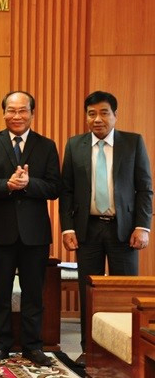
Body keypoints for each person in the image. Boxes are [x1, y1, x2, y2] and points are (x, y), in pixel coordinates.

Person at [59, 90, 152, 367]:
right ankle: (89, 352)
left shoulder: (133, 143)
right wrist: (67, 229)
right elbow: (66, 191)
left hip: (124, 231)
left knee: (125, 293)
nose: (97, 119)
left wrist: (142, 226)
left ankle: (127, 353)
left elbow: (144, 188)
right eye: (91, 113)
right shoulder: (74, 145)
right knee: (89, 292)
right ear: (86, 116)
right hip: (87, 230)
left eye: (103, 113)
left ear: (114, 115)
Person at [0, 91, 61, 367]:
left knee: (33, 292)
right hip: (0, 231)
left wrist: (28, 184)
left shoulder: (46, 146)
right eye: (11, 110)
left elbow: (55, 188)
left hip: (35, 233)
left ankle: (33, 346)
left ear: (32, 114)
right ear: (3, 113)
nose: (17, 116)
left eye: (23, 111)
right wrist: (7, 185)